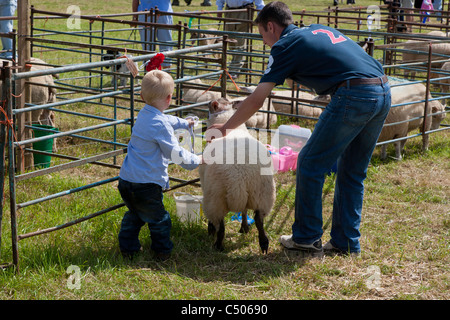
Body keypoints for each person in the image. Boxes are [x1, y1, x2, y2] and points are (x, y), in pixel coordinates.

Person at [206, 1, 391, 257]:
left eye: (262, 35)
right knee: (352, 170)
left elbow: (258, 98)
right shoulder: (316, 30)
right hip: (382, 89)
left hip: (353, 94)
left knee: (310, 162)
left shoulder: (284, 46)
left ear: (270, 26)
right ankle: (346, 242)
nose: (264, 43)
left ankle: (306, 237)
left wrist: (226, 127)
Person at [117, 70, 202, 261]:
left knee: (136, 215)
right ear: (170, 98)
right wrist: (197, 160)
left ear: (141, 96)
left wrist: (184, 122)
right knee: (160, 219)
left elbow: (167, 119)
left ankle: (128, 248)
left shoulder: (145, 115)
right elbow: (175, 153)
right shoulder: (161, 125)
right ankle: (162, 252)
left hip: (126, 180)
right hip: (146, 184)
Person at [216, 0, 265, 79]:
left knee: (240, 41)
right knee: (230, 40)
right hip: (229, 10)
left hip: (245, 10)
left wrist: (259, 15)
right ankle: (243, 65)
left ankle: (234, 71)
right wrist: (219, 9)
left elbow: (259, 3)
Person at [132, 0, 173, 68]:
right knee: (147, 47)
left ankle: (166, 75)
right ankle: (149, 76)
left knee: (166, 45)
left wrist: (135, 16)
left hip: (163, 12)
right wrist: (135, 16)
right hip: (146, 13)